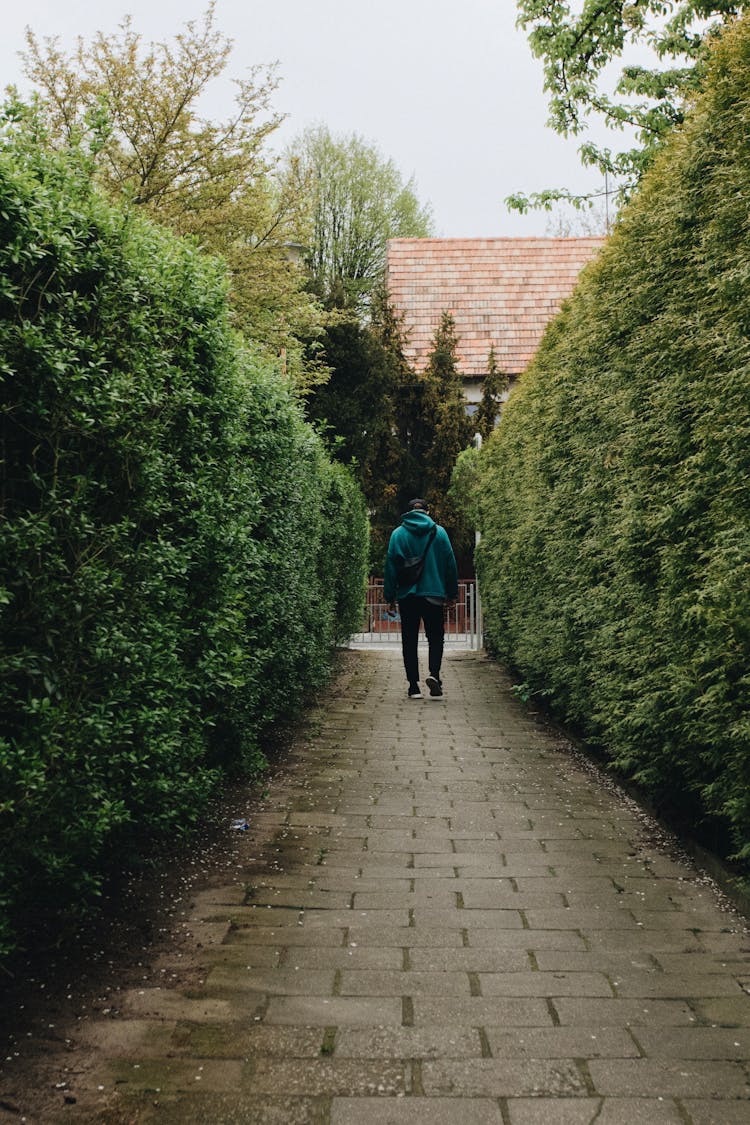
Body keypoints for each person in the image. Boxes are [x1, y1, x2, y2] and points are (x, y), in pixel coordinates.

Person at [383, 499, 459, 699]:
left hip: (408, 596)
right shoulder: (439, 532)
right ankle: (434, 674)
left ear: (409, 512)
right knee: (436, 638)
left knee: (409, 640)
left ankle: (413, 686)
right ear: (428, 511)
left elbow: (390, 566)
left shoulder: (398, 534)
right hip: (433, 594)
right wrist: (452, 594)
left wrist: (389, 596)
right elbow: (450, 564)